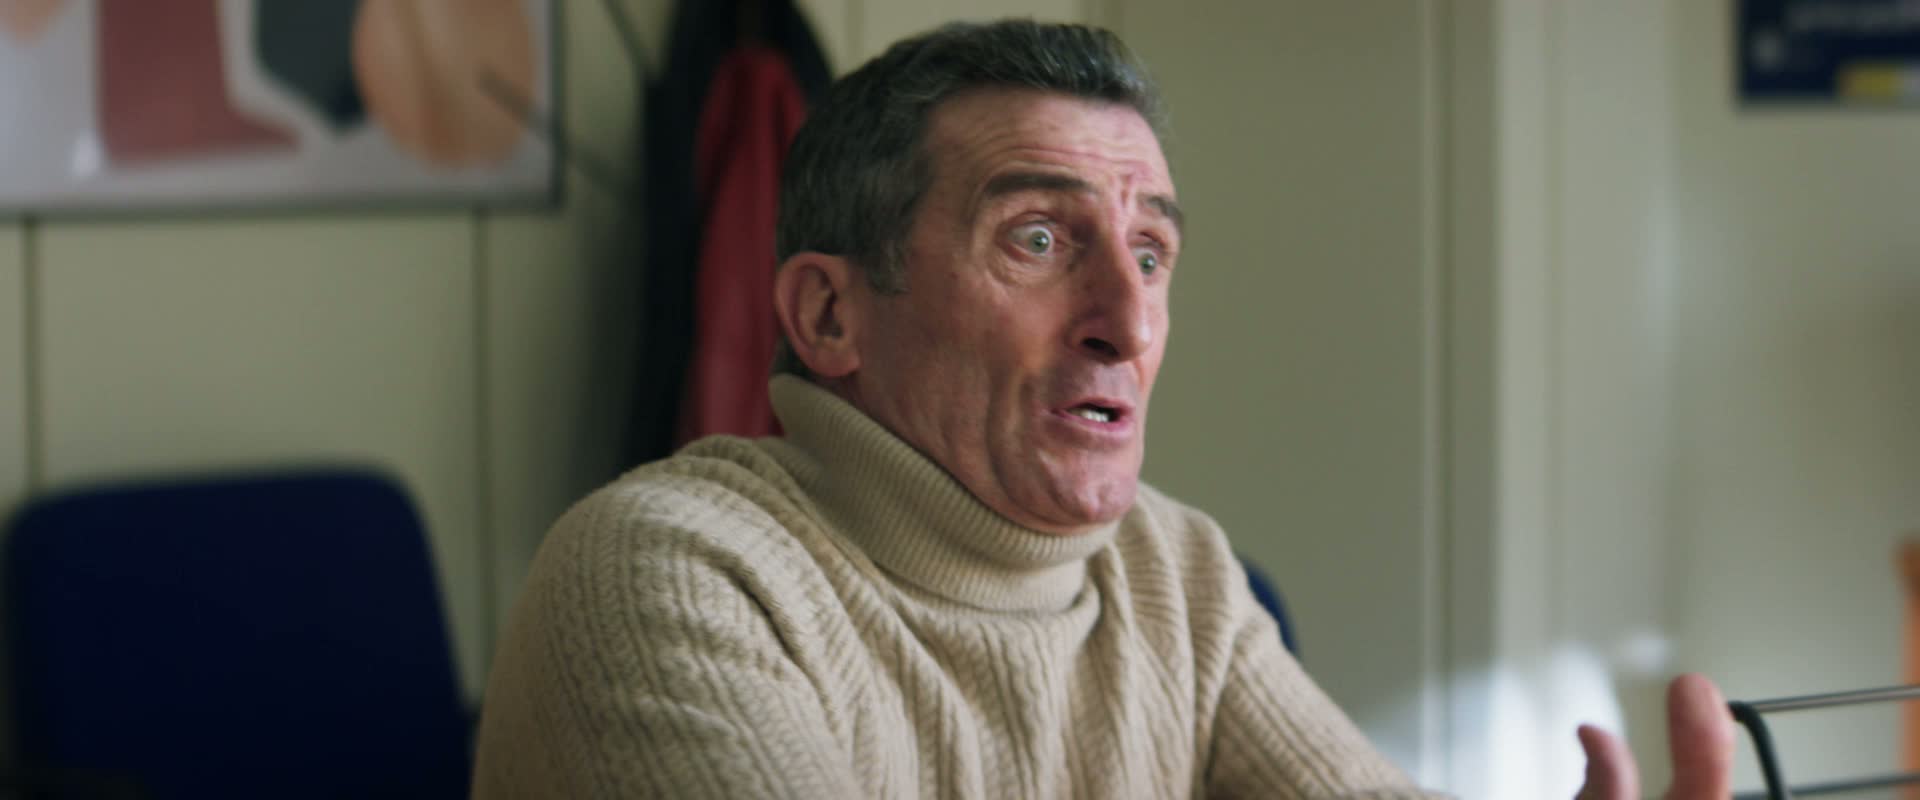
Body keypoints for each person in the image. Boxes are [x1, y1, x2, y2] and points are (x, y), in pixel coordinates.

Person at [472, 19, 1734, 798]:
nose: (1125, 324)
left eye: (1150, 253)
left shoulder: (1174, 571)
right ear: (830, 314)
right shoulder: (667, 575)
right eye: (1037, 238)